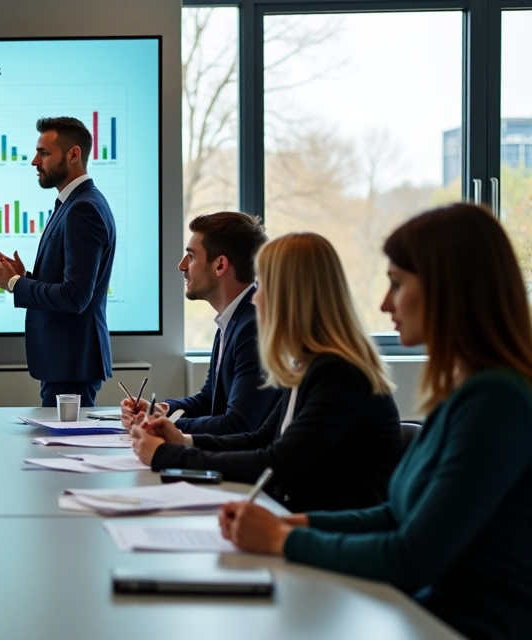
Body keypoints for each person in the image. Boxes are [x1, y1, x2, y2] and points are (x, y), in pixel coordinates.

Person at [222, 203, 532, 639]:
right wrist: (296, 525)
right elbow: (395, 514)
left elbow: (412, 557)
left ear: (449, 290)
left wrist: (281, 540)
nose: (385, 303)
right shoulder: (465, 394)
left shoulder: (497, 403)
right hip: (421, 615)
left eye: (398, 284)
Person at [129, 233, 403, 513]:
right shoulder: (309, 363)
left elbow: (276, 463)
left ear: (291, 297)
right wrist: (183, 440)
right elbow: (261, 438)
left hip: (329, 539)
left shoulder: (339, 373)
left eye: (262, 286)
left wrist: (169, 456)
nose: (255, 298)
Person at [0, 116, 116, 407]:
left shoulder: (83, 209)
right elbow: (69, 284)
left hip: (72, 364)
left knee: (61, 451)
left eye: (44, 153)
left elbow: (75, 296)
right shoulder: (73, 204)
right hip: (67, 363)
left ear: (73, 155)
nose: (34, 161)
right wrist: (26, 276)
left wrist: (16, 283)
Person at [124, 211, 280, 435]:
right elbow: (209, 400)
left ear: (220, 265)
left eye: (192, 256)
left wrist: (161, 426)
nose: (182, 265)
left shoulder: (254, 326)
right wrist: (161, 411)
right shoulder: (233, 319)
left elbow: (238, 425)